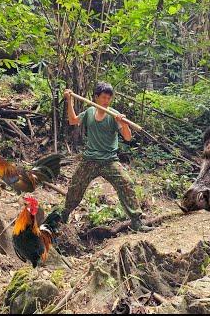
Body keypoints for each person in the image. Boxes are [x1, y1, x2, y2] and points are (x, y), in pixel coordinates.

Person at [62, 82, 152, 232]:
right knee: (75, 186)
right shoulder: (89, 112)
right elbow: (72, 120)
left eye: (109, 98)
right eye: (103, 97)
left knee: (126, 183)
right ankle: (63, 216)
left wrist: (123, 124)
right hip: (89, 160)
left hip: (109, 160)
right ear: (96, 97)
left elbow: (128, 138)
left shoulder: (113, 115)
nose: (106, 101)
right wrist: (69, 100)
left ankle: (137, 222)